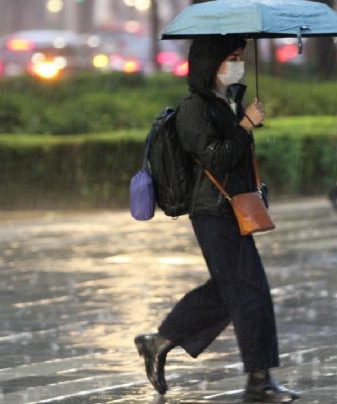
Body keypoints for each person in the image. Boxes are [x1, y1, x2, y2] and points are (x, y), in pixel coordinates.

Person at [134, 37, 299, 403]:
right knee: (248, 292)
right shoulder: (194, 108)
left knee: (234, 290)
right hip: (211, 212)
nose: (237, 64)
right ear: (211, 62)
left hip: (233, 209)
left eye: (240, 57)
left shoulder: (225, 102)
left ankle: (160, 341)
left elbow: (235, 158)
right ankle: (258, 383)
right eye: (231, 58)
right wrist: (244, 126)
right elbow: (216, 159)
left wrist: (243, 121)